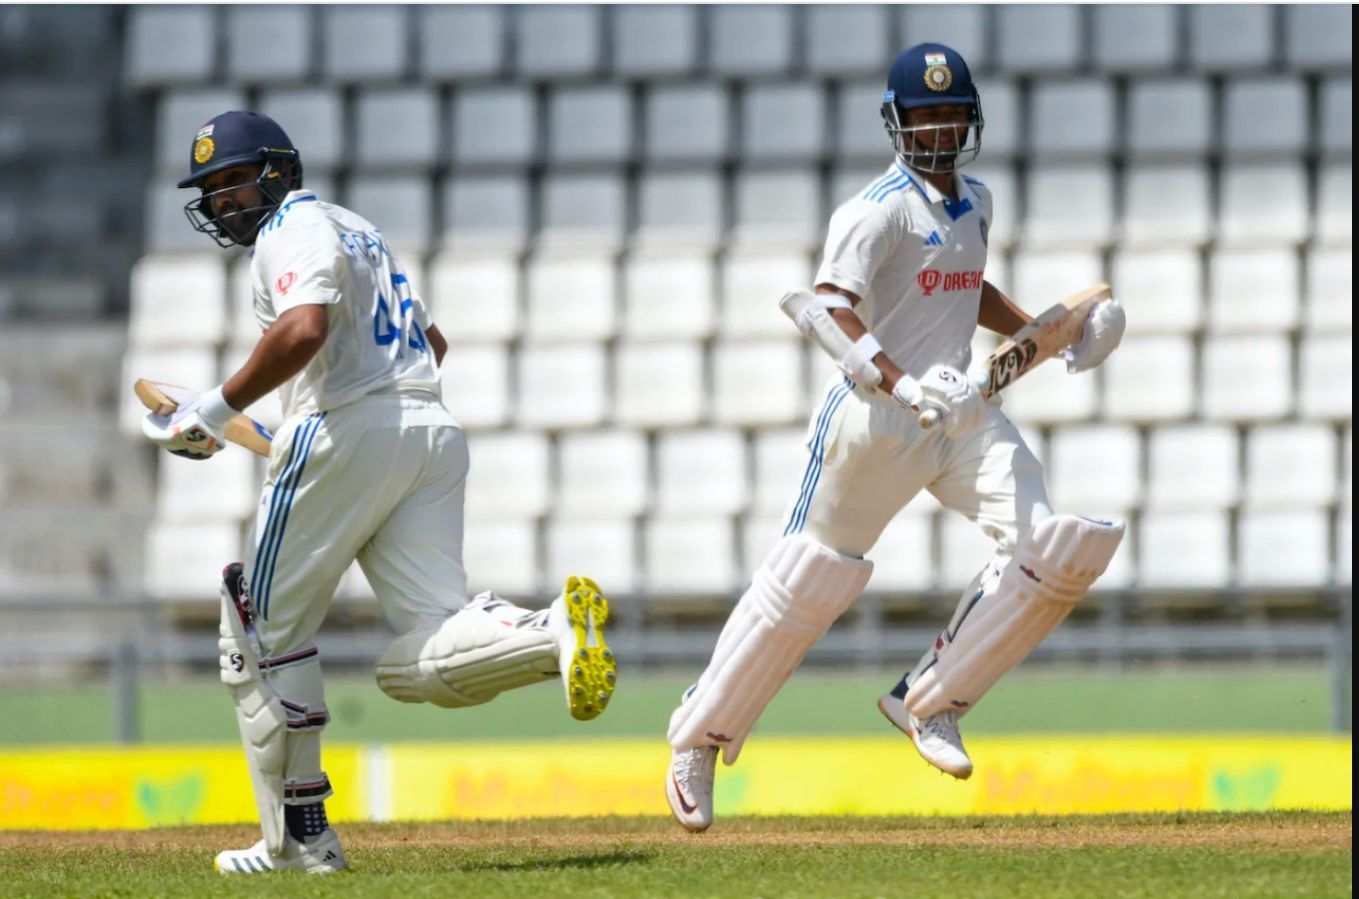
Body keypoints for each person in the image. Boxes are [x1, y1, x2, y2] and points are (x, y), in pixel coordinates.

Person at [664, 43, 1127, 832]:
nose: (940, 129)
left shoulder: (976, 200)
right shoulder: (872, 209)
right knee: (808, 580)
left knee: (1052, 543)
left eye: (951, 114)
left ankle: (933, 700)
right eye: (924, 116)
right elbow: (830, 307)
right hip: (874, 417)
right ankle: (697, 737)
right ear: (897, 123)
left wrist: (1051, 334)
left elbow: (962, 281)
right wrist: (902, 383)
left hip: (961, 414)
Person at [143, 111, 618, 873]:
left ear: (279, 172)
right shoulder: (355, 228)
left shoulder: (290, 229)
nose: (223, 200)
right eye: (212, 188)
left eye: (234, 180)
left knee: (257, 637)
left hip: (350, 433)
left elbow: (301, 330)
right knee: (417, 661)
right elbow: (432, 343)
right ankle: (549, 629)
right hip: (427, 427)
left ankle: (296, 839)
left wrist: (214, 411)